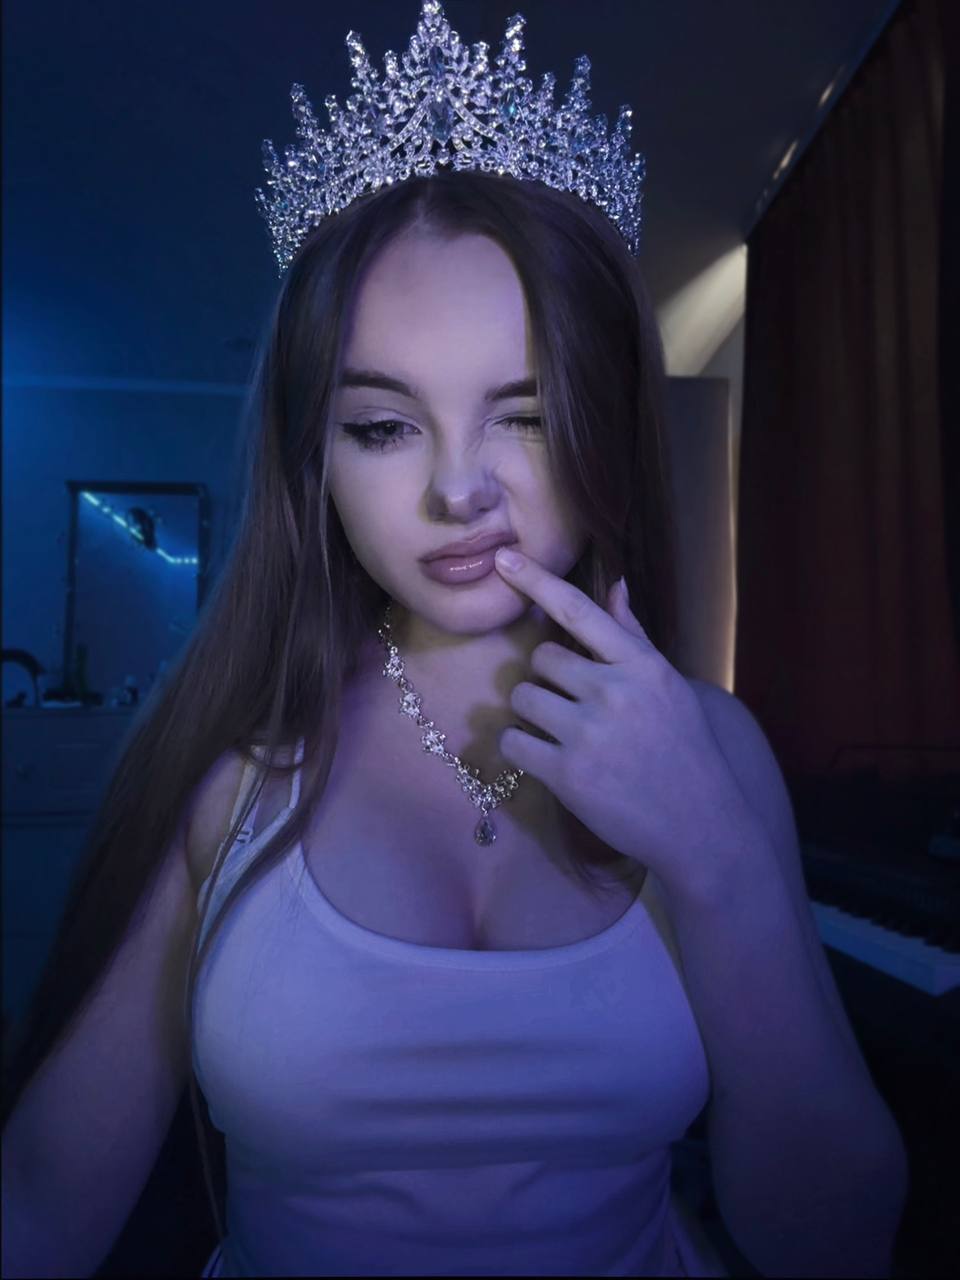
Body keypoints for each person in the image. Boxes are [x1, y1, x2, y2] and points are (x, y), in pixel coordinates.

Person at [2, 3, 907, 1277]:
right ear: (314, 458)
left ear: (606, 423)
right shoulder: (223, 762)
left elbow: (837, 1239)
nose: (458, 490)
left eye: (525, 415)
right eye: (384, 426)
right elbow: (42, 1206)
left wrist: (720, 857)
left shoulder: (713, 748)